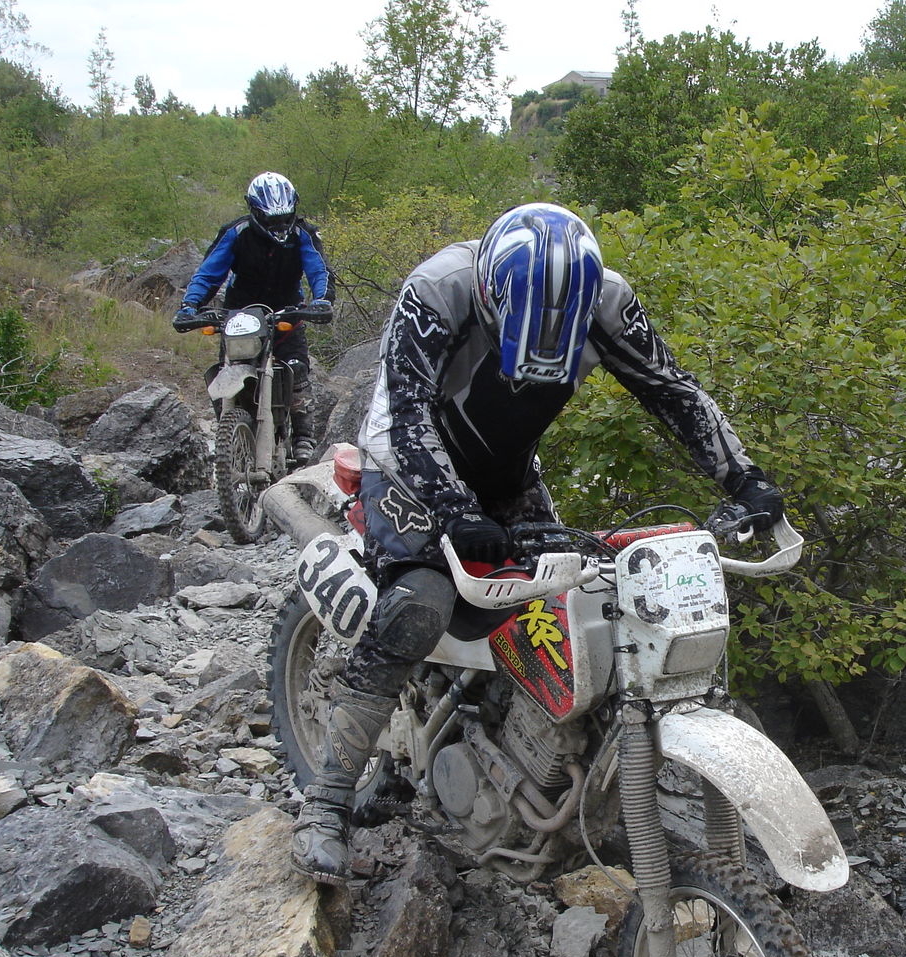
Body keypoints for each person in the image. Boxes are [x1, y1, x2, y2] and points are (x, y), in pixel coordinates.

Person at [290, 201, 785, 883]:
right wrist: (454, 510)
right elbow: (402, 411)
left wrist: (746, 480)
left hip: (508, 472)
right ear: (492, 294)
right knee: (419, 605)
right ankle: (326, 803)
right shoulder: (439, 289)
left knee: (573, 593)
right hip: (404, 464)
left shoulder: (608, 302)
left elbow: (672, 391)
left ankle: (523, 757)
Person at [176, 171, 334, 464]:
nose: (279, 225)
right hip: (240, 315)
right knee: (227, 368)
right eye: (272, 219)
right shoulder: (237, 233)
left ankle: (303, 437)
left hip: (287, 312)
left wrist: (322, 300)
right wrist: (190, 305)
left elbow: (318, 270)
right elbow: (209, 273)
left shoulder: (303, 234)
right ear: (254, 211)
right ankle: (229, 433)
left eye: (284, 218)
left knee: (297, 369)